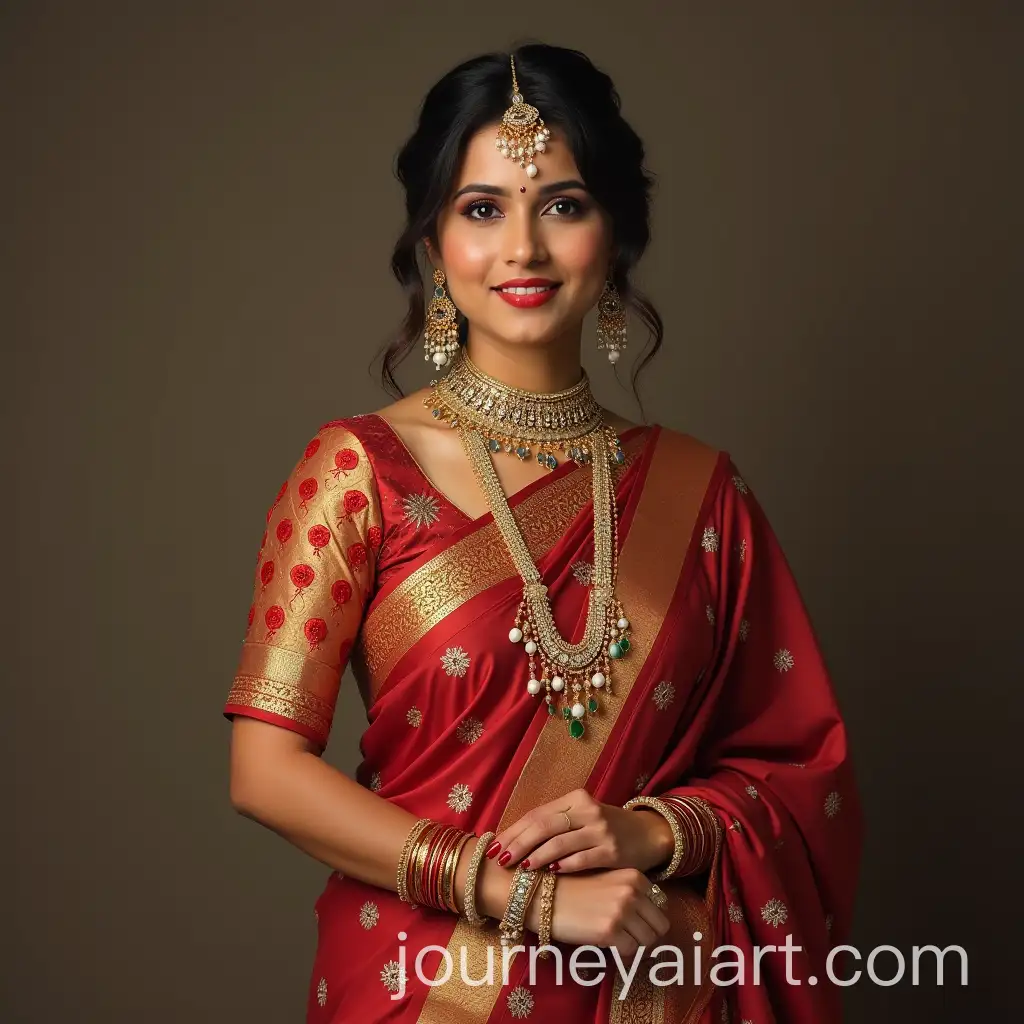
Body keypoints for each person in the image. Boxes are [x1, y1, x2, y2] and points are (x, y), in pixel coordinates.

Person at [223, 43, 862, 1024]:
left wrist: (656, 833)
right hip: (423, 988)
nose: (521, 247)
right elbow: (264, 772)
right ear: (434, 245)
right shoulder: (357, 472)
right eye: (482, 208)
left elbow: (797, 772)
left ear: (615, 238)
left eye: (561, 204)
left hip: (646, 977)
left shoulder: (701, 495)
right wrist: (523, 893)